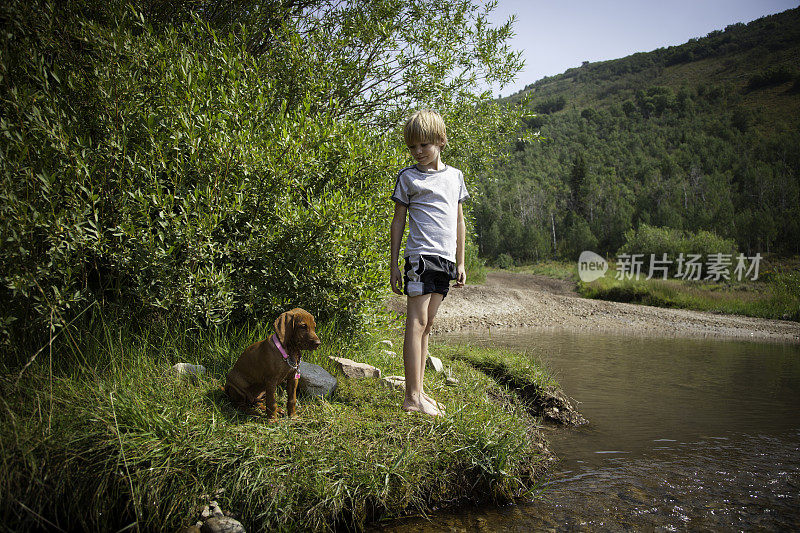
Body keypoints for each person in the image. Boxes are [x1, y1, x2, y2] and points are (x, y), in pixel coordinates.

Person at [389, 109, 469, 416]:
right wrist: (395, 264)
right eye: (412, 147)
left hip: (445, 259)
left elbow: (459, 220)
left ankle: (419, 392)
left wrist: (460, 262)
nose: (417, 152)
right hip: (419, 258)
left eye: (423, 145)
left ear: (440, 140)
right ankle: (412, 397)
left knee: (428, 325)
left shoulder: (456, 177)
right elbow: (398, 222)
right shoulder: (408, 178)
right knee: (417, 322)